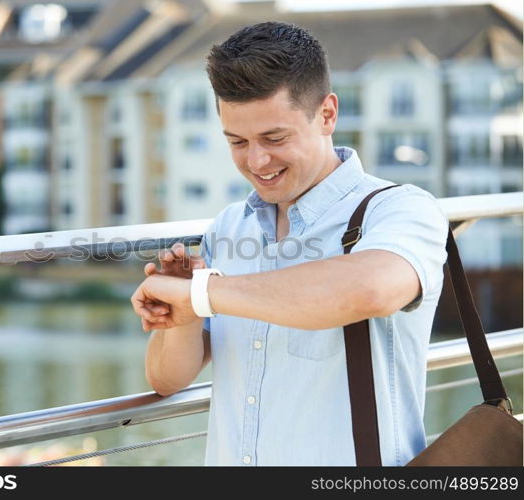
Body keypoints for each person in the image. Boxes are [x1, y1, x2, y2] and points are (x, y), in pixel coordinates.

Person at [131, 21, 449, 466]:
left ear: (327, 115)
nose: (256, 161)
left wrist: (204, 294)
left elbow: (372, 288)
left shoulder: (400, 210)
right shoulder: (227, 227)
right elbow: (166, 380)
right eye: (237, 142)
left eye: (274, 139)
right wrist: (181, 313)